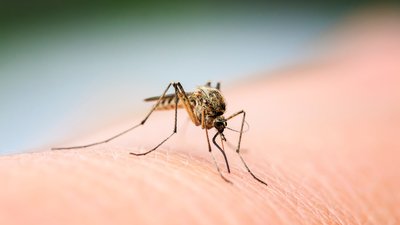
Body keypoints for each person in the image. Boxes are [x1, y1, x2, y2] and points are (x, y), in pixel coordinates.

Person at [1, 10, 399, 224]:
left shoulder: (226, 113)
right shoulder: (204, 110)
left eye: (222, 128)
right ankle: (139, 136)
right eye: (221, 128)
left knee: (224, 102)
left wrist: (235, 144)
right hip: (182, 101)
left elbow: (226, 117)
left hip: (205, 101)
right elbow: (200, 103)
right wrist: (186, 120)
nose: (221, 130)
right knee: (180, 86)